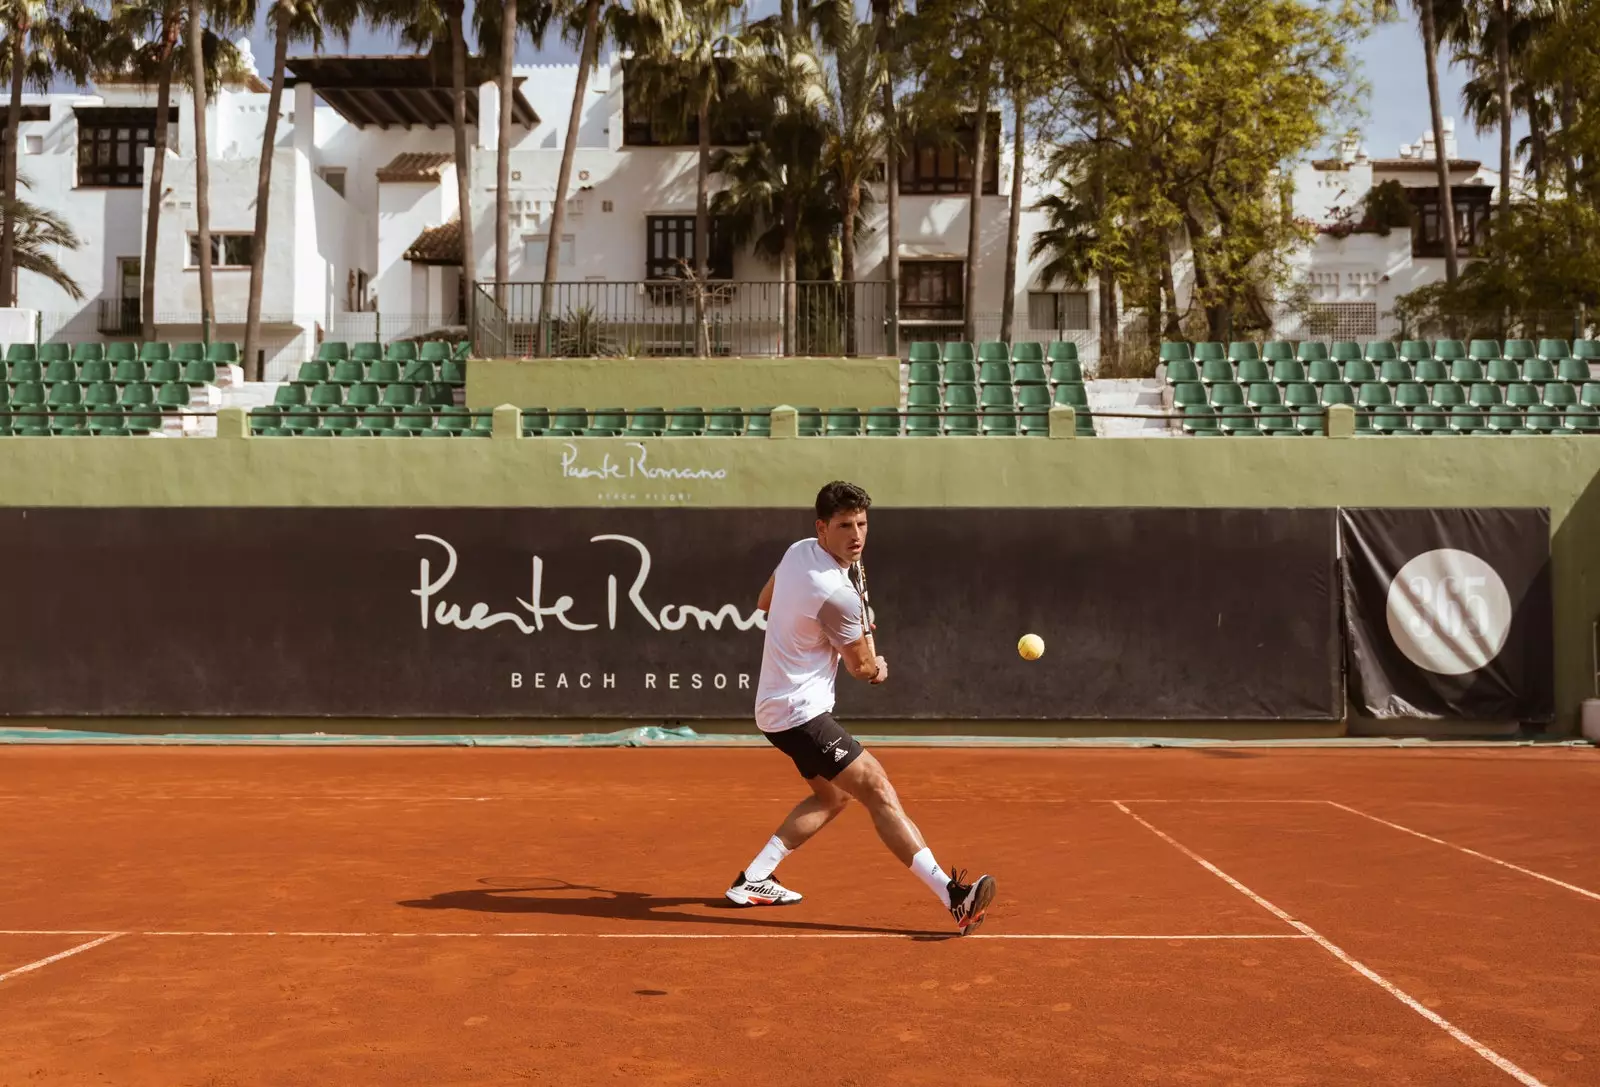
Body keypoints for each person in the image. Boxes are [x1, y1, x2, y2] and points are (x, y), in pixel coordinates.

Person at [724, 481, 996, 936]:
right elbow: (862, 669)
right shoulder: (839, 595)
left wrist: (828, 628)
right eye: (845, 525)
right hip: (800, 713)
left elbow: (765, 601)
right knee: (877, 788)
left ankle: (753, 879)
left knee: (834, 796)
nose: (856, 536)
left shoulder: (798, 551)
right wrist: (875, 664)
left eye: (862, 524)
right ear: (822, 528)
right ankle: (954, 897)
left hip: (774, 708)